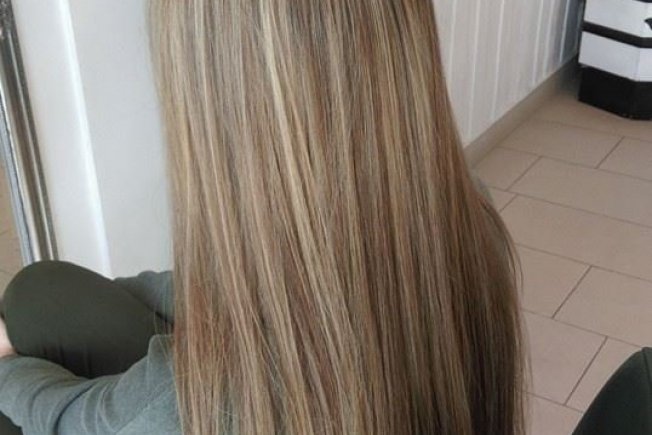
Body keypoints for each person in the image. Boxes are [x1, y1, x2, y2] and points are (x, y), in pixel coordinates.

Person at [0, 1, 525, 434]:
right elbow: (240, 289)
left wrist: (8, 370)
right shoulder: (468, 214)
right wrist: (133, 290)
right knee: (39, 291)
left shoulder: (213, 398)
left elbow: (76, 420)